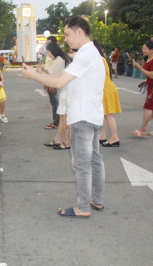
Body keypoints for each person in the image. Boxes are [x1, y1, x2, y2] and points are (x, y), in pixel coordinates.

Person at [22, 16, 105, 218]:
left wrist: (32, 75)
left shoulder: (85, 55)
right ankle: (97, 200)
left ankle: (83, 207)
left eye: (68, 34)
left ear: (79, 31)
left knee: (82, 164)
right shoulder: (91, 53)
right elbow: (59, 79)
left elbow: (58, 83)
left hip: (82, 117)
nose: (66, 39)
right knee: (94, 160)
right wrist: (36, 74)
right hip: (92, 115)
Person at [132, 40, 153, 137]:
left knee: (148, 106)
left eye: (144, 48)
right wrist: (146, 81)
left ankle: (142, 129)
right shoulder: (149, 58)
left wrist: (139, 68)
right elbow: (150, 76)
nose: (143, 50)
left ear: (151, 50)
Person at [40, 42, 72, 150]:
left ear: (53, 51)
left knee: (64, 117)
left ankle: (67, 142)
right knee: (63, 117)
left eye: (48, 53)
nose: (48, 55)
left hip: (66, 91)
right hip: (67, 89)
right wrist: (44, 71)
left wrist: (39, 73)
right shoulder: (64, 58)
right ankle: (58, 139)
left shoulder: (59, 59)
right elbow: (53, 73)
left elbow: (51, 77)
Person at [94, 40, 121, 147]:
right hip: (107, 88)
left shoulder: (98, 60)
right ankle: (103, 135)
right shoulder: (102, 59)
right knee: (105, 114)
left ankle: (114, 137)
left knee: (108, 115)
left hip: (106, 89)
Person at [44, 35, 59, 129]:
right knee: (53, 102)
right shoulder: (49, 55)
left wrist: (51, 84)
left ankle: (56, 122)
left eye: (48, 43)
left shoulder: (56, 57)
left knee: (55, 102)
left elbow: (55, 71)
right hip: (49, 80)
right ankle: (56, 121)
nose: (47, 45)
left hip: (53, 82)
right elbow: (48, 69)